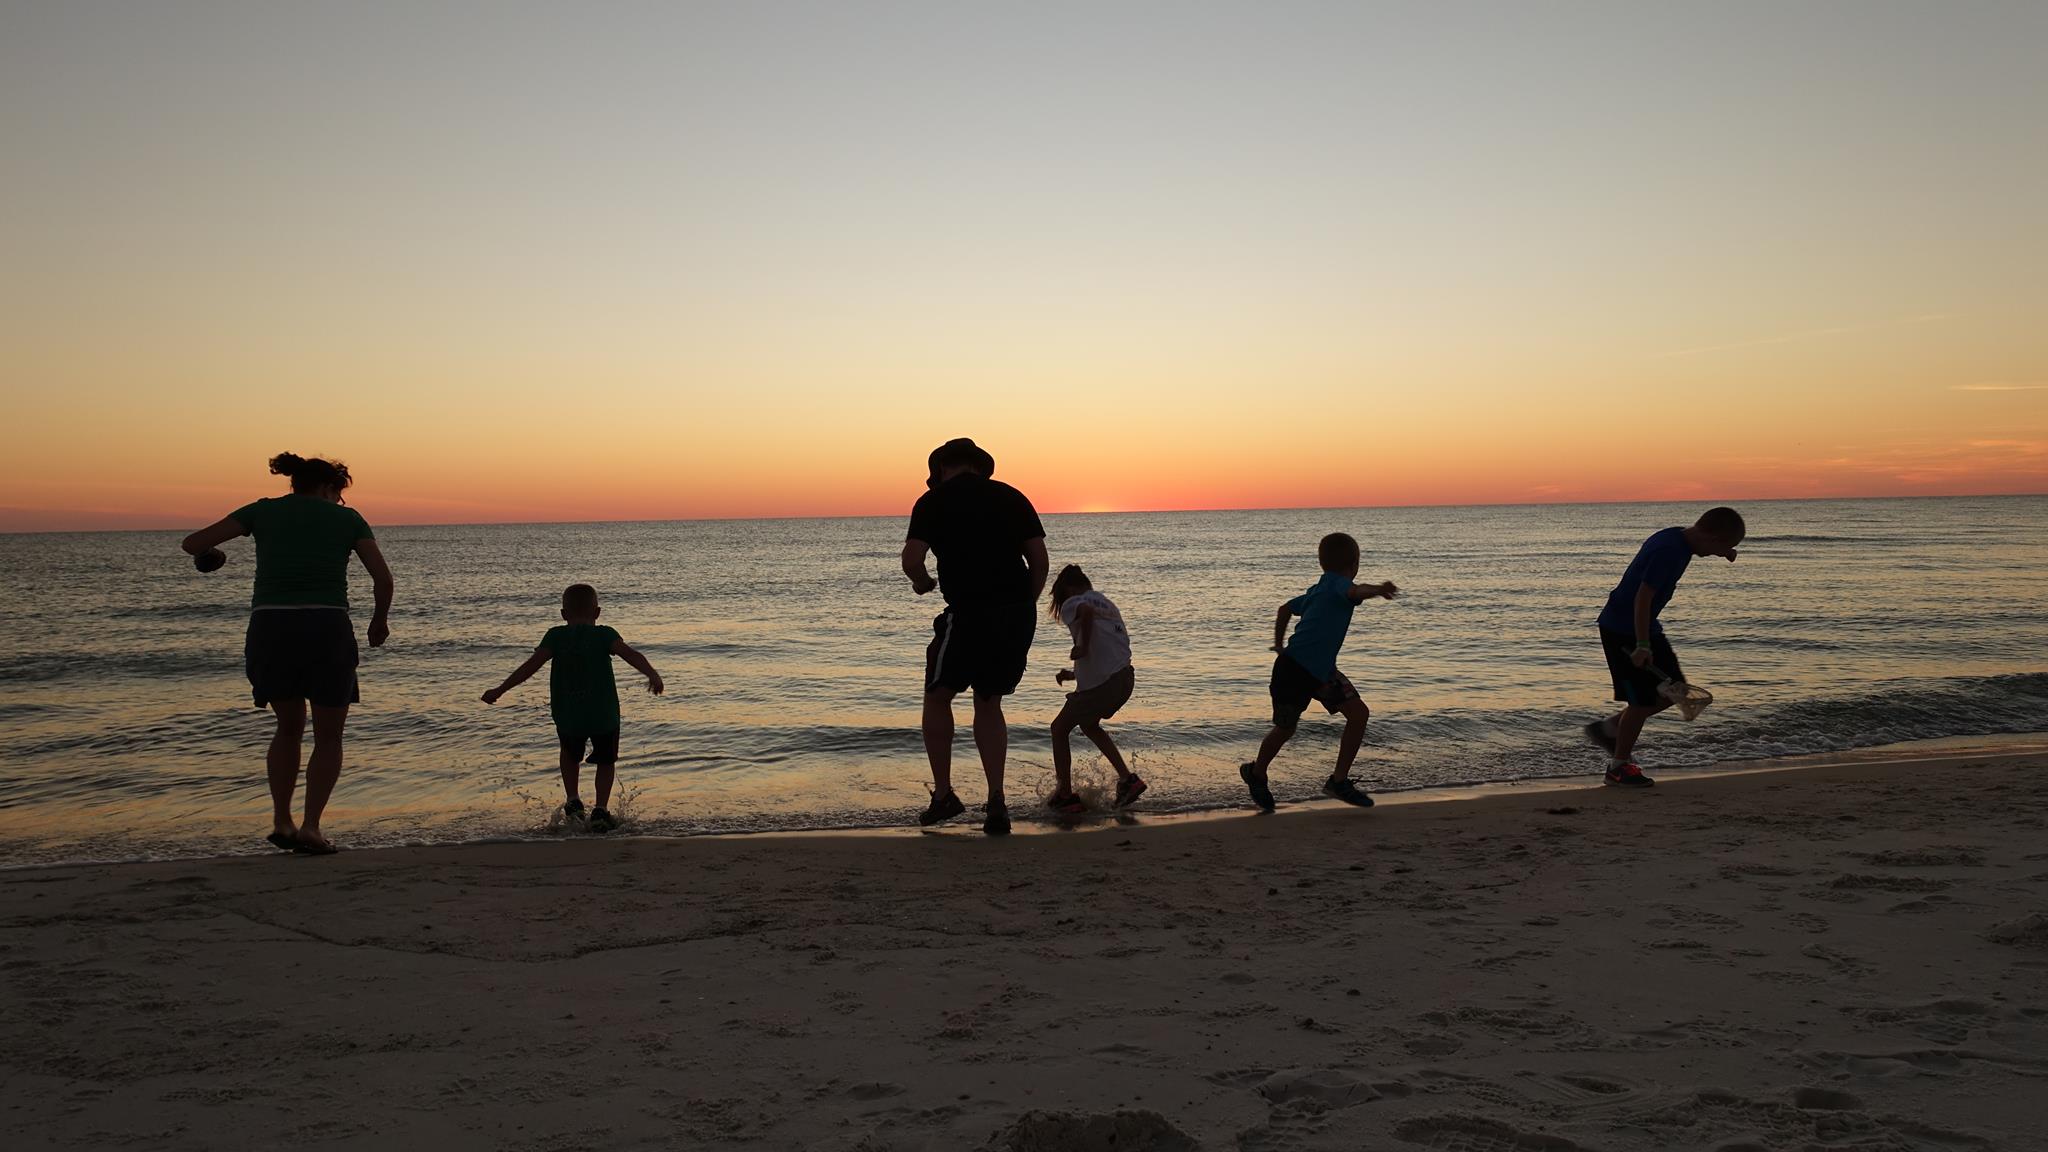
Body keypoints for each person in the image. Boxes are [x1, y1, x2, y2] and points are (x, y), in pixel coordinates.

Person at [181, 452, 393, 855]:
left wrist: (212, 556)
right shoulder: (348, 519)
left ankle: (282, 821)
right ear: (329, 488)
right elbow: (382, 580)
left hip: (271, 626)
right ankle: (311, 827)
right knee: (328, 736)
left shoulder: (261, 511)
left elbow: (193, 543)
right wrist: (378, 621)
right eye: (338, 494)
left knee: (288, 727)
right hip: (326, 627)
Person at [902, 438, 1048, 836]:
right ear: (980, 466)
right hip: (1015, 615)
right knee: (988, 702)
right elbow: (1039, 561)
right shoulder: (1012, 496)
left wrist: (923, 583)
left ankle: (944, 795)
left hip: (968, 613)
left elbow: (912, 560)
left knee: (938, 696)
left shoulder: (933, 501)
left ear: (941, 468)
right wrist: (1025, 605)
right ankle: (996, 798)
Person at [1584, 507, 1745, 787]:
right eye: (1720, 548)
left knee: (1676, 691)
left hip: (1645, 627)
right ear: (1712, 538)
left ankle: (1609, 729)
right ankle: (1618, 768)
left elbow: (1705, 544)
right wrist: (1642, 644)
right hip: (1624, 630)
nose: (1718, 553)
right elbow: (1643, 598)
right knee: (1642, 701)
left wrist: (1724, 551)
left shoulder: (1679, 538)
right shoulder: (1669, 551)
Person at [482, 584, 663, 833]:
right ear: (597, 612)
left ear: (563, 614)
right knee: (606, 760)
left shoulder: (555, 636)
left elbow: (531, 666)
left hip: (569, 713)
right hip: (603, 713)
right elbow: (631, 654)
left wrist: (500, 689)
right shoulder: (605, 634)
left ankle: (573, 799)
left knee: (569, 755)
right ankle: (600, 810)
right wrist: (652, 674)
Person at [1239, 532, 1395, 811]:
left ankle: (1338, 782)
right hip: (1295, 671)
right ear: (1354, 564)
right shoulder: (1339, 586)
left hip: (1319, 672)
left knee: (1357, 714)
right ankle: (1257, 772)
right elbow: (1355, 591)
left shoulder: (1317, 590)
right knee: (1286, 728)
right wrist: (1378, 589)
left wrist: (1278, 644)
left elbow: (1284, 609)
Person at [1045, 564, 1144, 814]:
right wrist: (1073, 674)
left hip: (1104, 685)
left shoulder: (1074, 602)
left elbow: (1086, 614)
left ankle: (1065, 795)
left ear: (1068, 590)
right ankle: (1127, 780)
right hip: (1124, 679)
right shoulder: (1106, 603)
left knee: (1058, 729)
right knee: (1089, 725)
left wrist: (1082, 647)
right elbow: (1107, 648)